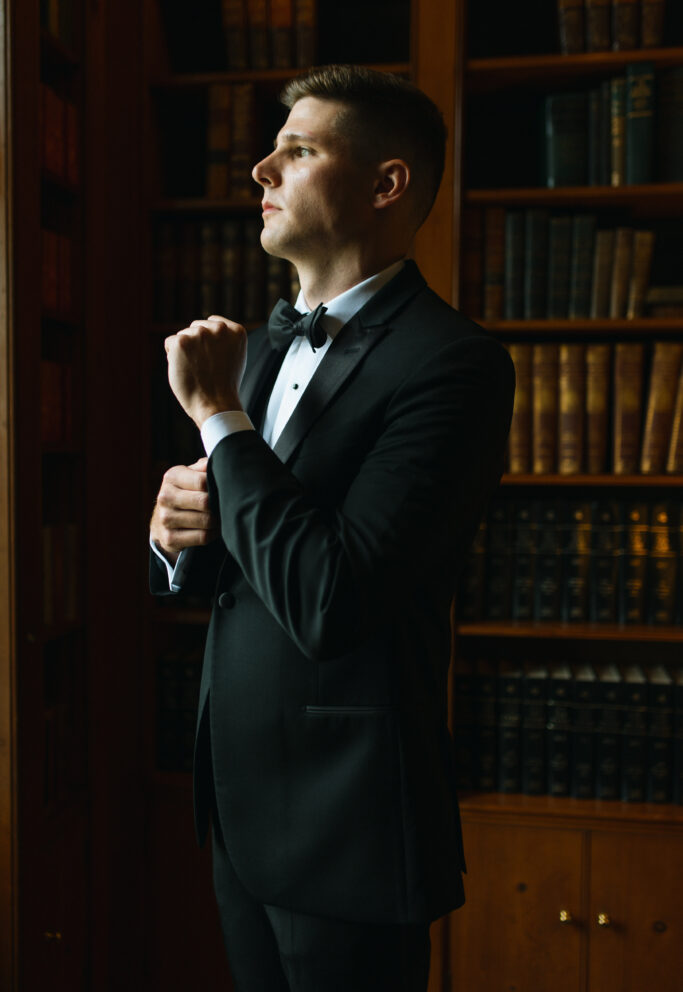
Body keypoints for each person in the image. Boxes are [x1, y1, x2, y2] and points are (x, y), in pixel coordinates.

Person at [150, 64, 515, 992]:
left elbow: (332, 598)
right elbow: (243, 556)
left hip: (346, 821)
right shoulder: (263, 345)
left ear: (387, 184)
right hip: (235, 805)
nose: (260, 169)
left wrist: (219, 421)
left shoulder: (456, 365)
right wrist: (175, 536)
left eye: (298, 150)